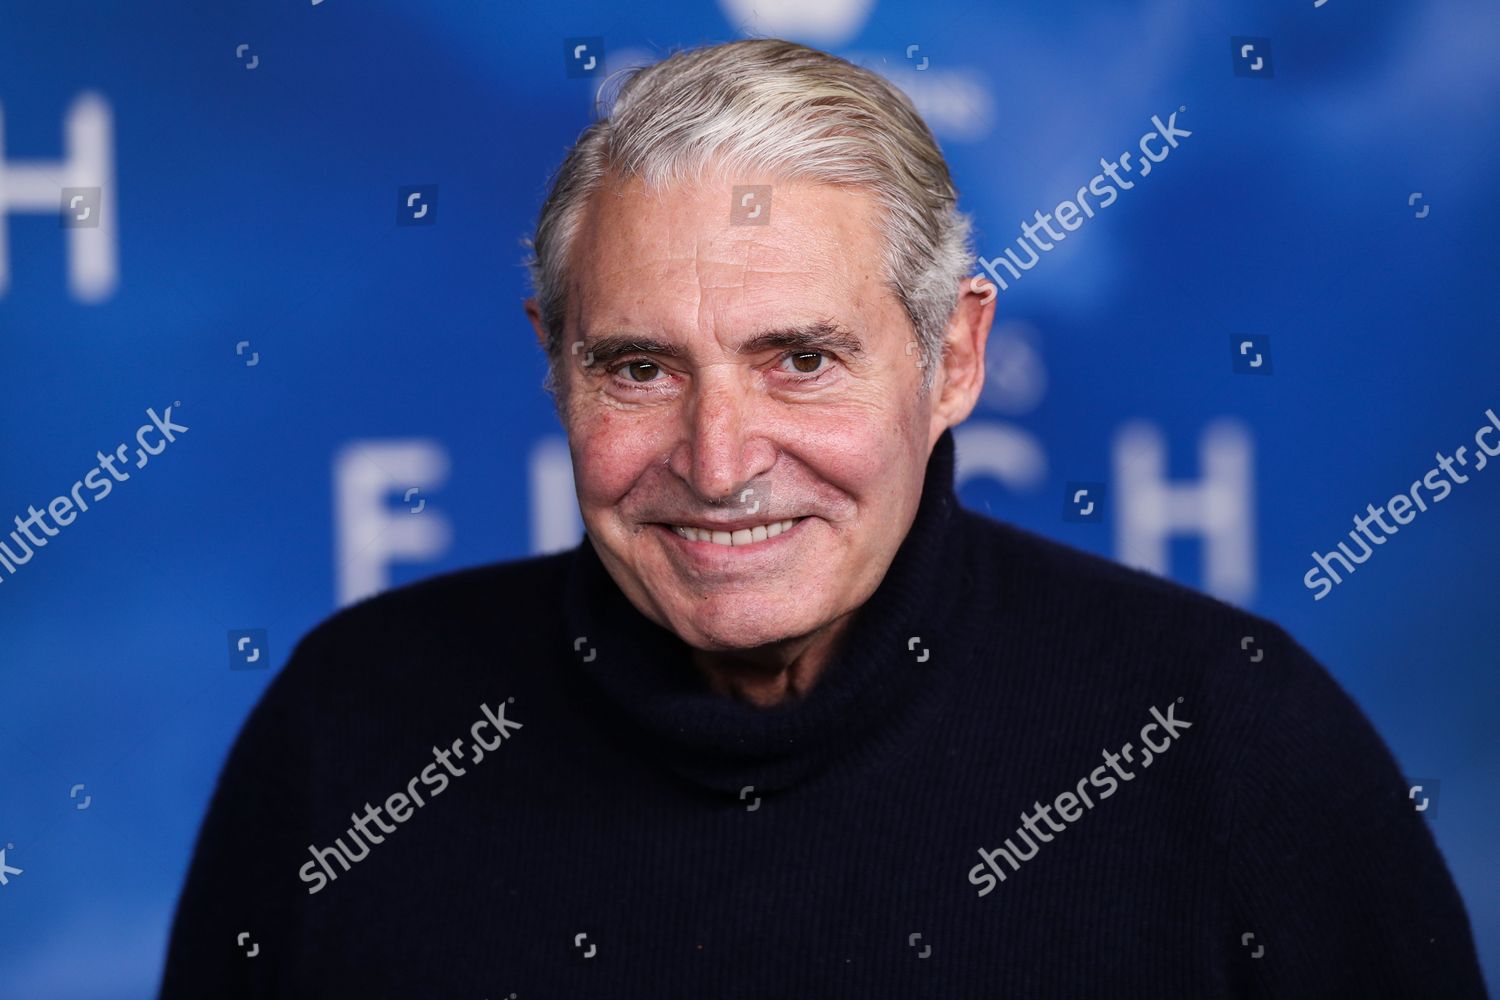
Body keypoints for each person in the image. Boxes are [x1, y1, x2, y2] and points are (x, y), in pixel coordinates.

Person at [161, 38, 1486, 997]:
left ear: (955, 360)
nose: (721, 460)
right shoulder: (352, 733)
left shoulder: (1225, 740)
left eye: (800, 357)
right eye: (640, 367)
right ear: (555, 366)